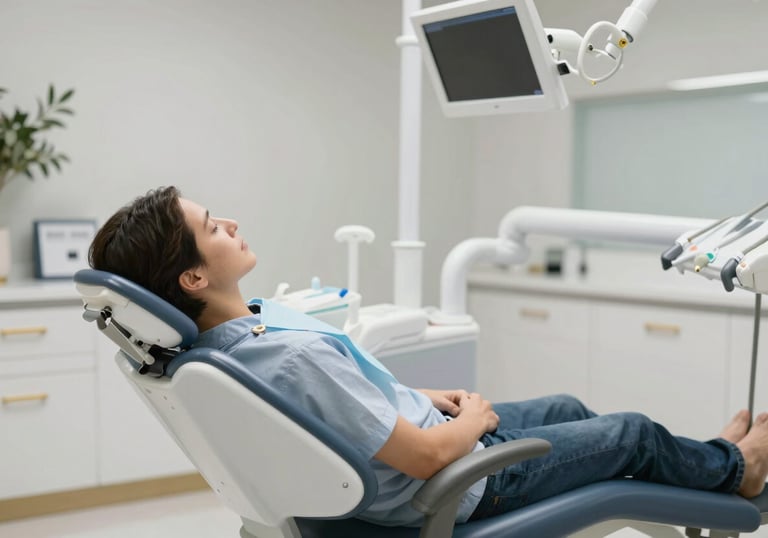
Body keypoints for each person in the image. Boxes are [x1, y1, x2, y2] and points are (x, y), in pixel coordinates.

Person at [89, 186, 768, 527]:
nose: (229, 223)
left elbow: (351, 409)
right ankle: (736, 472)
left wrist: (428, 402)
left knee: (566, 408)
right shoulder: (283, 360)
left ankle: (707, 461)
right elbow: (422, 459)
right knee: (630, 432)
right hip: (451, 485)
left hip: (424, 452)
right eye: (211, 228)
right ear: (192, 280)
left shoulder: (234, 345)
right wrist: (469, 420)